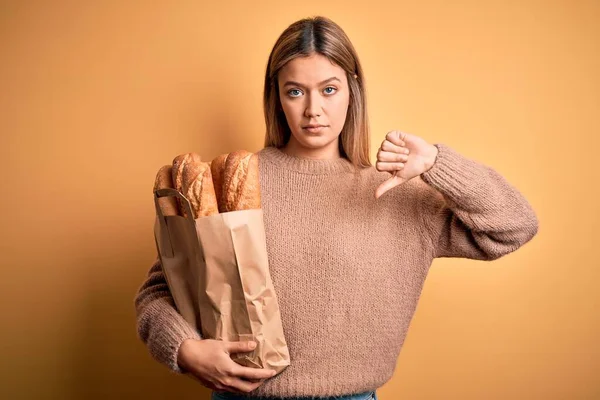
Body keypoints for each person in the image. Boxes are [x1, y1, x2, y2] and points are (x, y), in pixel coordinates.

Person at [134, 15, 539, 400]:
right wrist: (184, 349)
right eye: (296, 91)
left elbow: (514, 226)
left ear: (352, 92)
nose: (313, 110)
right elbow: (157, 291)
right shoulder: (231, 183)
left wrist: (436, 162)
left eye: (329, 89)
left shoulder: (396, 190)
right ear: (277, 97)